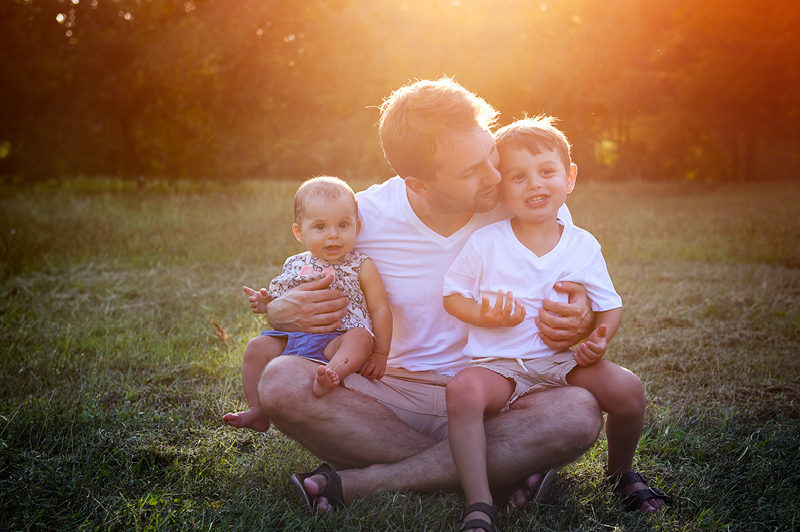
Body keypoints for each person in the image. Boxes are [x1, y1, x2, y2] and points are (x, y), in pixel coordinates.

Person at [255, 78, 602, 517]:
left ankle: (374, 479)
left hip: (499, 393)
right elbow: (297, 281)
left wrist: (584, 316)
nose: (494, 175)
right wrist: (282, 312)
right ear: (417, 184)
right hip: (390, 394)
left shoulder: (521, 202)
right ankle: (496, 469)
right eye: (469, 171)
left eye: (488, 153)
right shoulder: (363, 217)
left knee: (578, 413)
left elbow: (578, 297)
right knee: (282, 382)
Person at [441, 117, 667, 530]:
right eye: (518, 177)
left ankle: (621, 473)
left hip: (563, 360)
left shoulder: (582, 244)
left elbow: (608, 306)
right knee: (462, 391)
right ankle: (478, 501)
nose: (534, 184)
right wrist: (483, 314)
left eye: (546, 172)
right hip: (500, 363)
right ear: (502, 189)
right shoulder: (487, 242)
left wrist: (599, 339)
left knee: (629, 390)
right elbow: (452, 296)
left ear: (570, 177)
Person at [222, 176, 392, 431]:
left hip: (337, 341)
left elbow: (380, 308)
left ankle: (330, 375)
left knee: (360, 338)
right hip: (295, 338)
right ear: (299, 232)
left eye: (343, 225)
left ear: (357, 225)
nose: (333, 235)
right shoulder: (293, 263)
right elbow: (285, 302)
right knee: (256, 347)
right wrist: (265, 302)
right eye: (320, 227)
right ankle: (257, 410)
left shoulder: (362, 265)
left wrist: (380, 353)